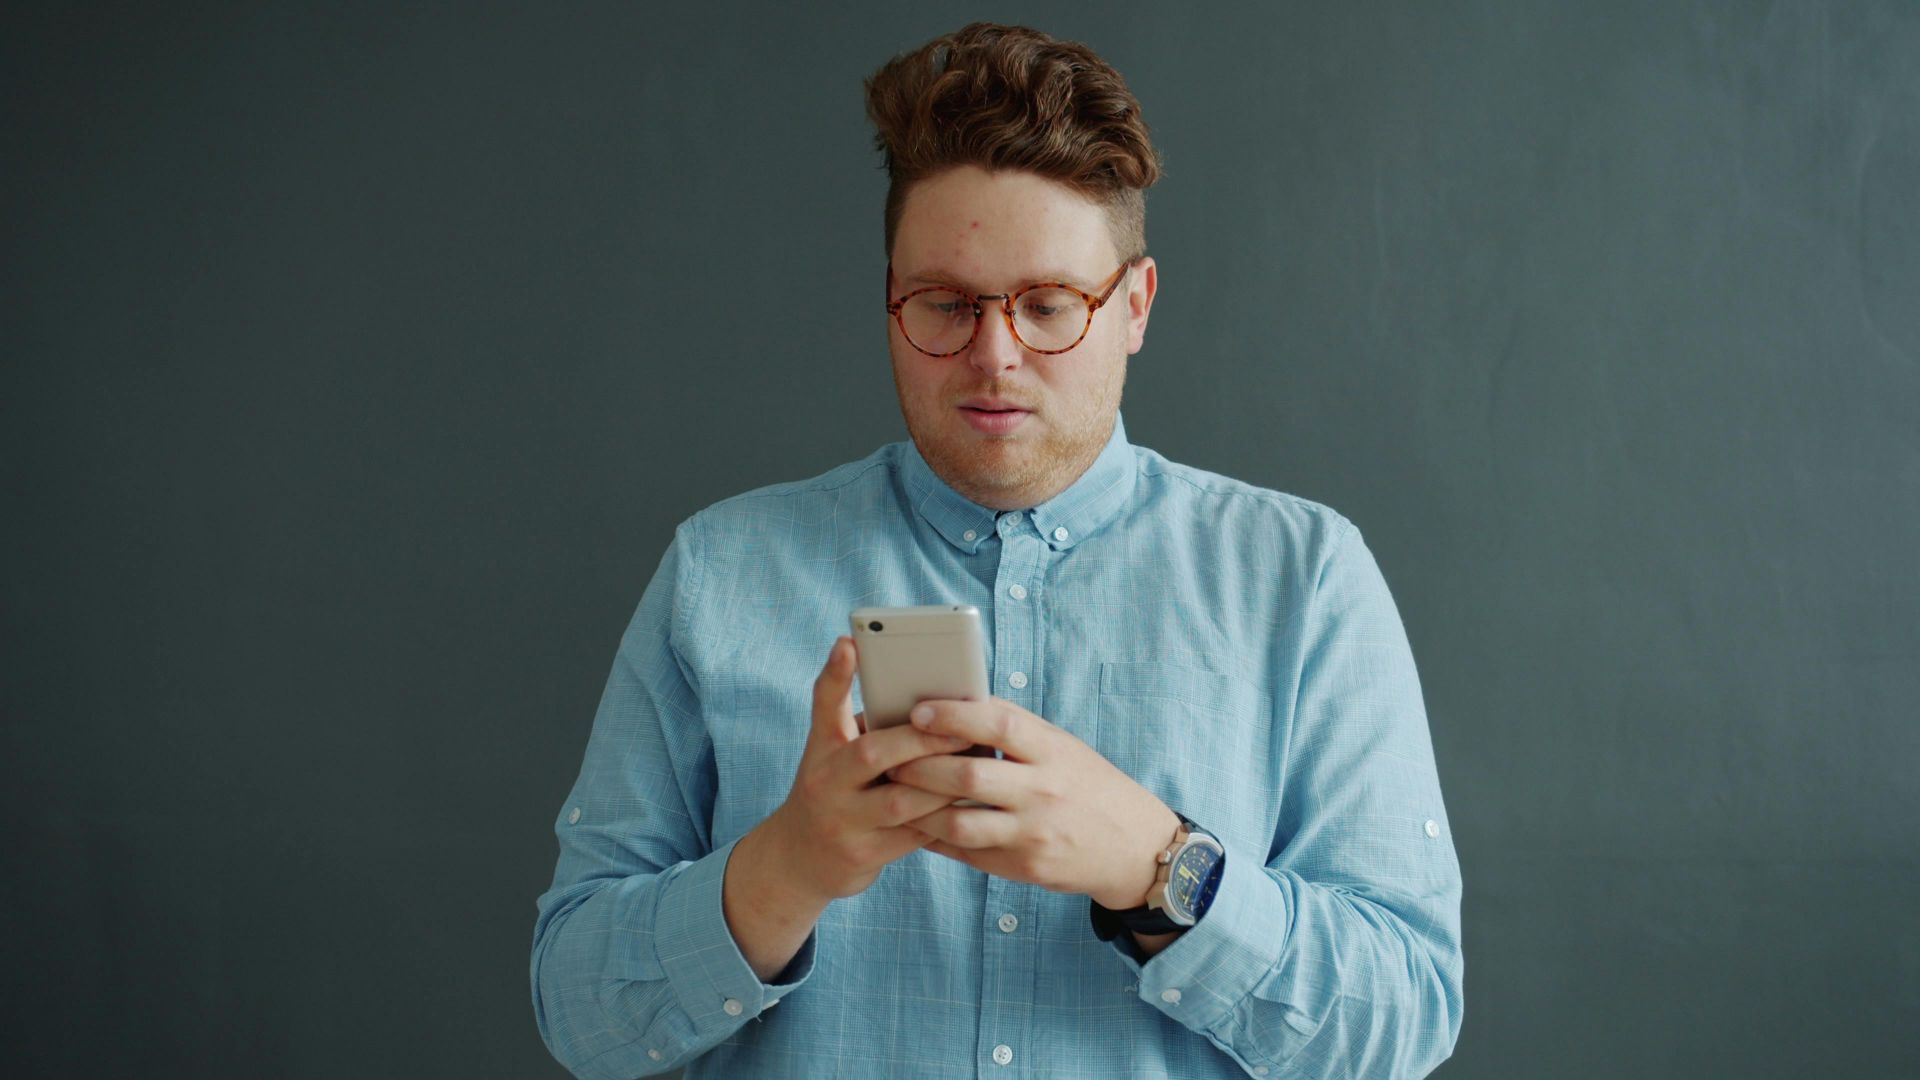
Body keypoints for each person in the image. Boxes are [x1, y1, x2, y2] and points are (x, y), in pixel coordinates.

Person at [531, 21, 1462, 1079]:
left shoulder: (1305, 581)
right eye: (945, 304)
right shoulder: (719, 573)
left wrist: (1155, 865)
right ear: (891, 300)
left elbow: (1405, 1019)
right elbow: (578, 1014)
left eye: (1049, 306)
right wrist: (788, 866)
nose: (993, 356)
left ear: (1135, 307)